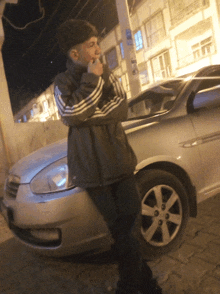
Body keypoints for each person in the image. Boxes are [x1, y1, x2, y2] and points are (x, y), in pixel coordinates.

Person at [54, 19, 163, 294]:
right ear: (75, 54)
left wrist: (86, 116)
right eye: (92, 45)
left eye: (97, 43)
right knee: (120, 231)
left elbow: (121, 107)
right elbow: (70, 114)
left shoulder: (109, 74)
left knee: (129, 228)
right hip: (92, 171)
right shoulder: (62, 83)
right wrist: (92, 80)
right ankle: (145, 284)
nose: (98, 50)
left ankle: (130, 285)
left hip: (120, 162)